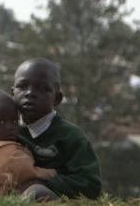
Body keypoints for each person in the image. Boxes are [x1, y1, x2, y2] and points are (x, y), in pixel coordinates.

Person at [12, 58, 103, 201]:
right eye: (22, 86)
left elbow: (90, 185)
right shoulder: (6, 132)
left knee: (36, 193)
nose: (30, 93)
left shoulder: (71, 137)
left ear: (57, 98)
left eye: (42, 89)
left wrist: (44, 182)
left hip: (51, 199)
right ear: (12, 93)